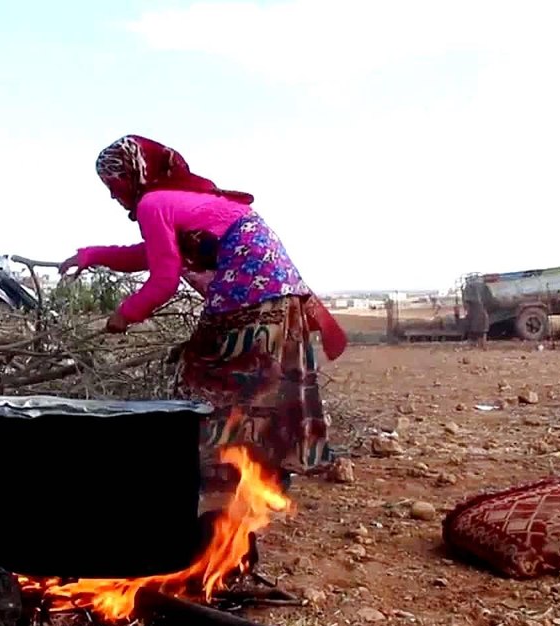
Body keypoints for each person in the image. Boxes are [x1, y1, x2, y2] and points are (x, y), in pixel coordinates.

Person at [59, 134, 348, 494]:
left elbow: (164, 280)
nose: (113, 194)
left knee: (205, 377)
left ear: (134, 174)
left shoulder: (153, 203)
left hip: (249, 293)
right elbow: (148, 254)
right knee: (268, 387)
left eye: (114, 183)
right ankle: (264, 481)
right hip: (282, 295)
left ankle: (215, 480)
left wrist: (125, 314)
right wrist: (90, 255)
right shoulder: (182, 200)